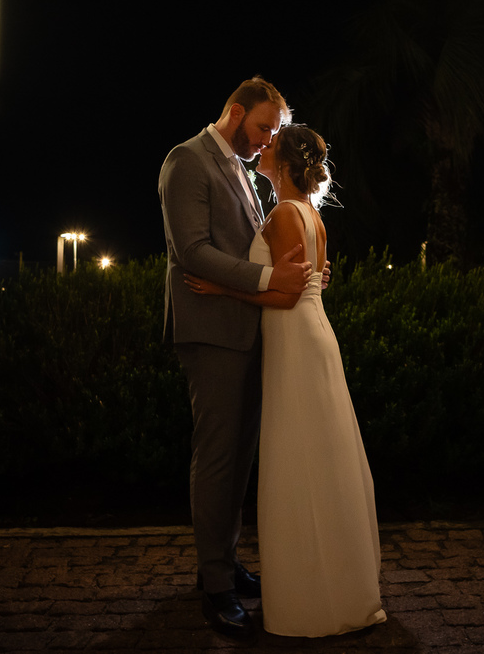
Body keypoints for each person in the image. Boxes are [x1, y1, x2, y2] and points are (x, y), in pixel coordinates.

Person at [185, 124, 387, 638]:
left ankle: (308, 593)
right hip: (313, 338)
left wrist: (220, 288)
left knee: (298, 460)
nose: (264, 144)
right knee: (321, 458)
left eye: (273, 142)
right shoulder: (311, 215)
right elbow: (306, 284)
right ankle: (336, 583)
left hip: (296, 340)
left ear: (284, 161)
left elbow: (284, 295)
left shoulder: (280, 215)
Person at [158, 77, 313, 638]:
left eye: (273, 130)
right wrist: (272, 277)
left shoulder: (242, 171)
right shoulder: (186, 161)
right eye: (262, 127)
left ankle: (222, 563)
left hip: (246, 331)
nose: (267, 138)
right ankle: (215, 586)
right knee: (218, 458)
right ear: (233, 111)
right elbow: (191, 251)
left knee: (239, 458)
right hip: (210, 333)